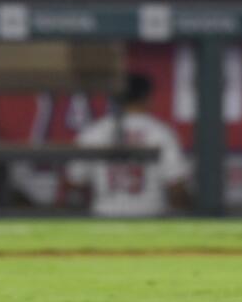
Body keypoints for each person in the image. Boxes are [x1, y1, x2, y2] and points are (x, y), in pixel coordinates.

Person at [64, 74, 191, 217]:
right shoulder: (161, 133)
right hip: (150, 223)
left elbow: (74, 183)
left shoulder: (95, 132)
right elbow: (176, 188)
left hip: (104, 223)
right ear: (147, 97)